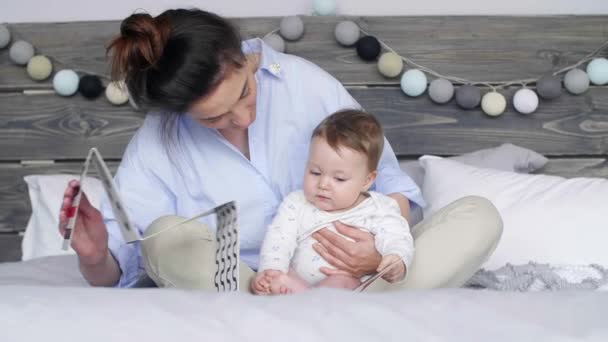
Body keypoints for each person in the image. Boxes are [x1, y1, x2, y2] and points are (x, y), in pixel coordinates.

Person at [58, 8, 502, 290]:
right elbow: (125, 268)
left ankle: (363, 299)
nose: (244, 118)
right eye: (214, 118)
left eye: (245, 91)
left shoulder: (304, 82)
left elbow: (386, 182)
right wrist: (95, 255)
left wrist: (381, 252)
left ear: (243, 59)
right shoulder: (160, 140)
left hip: (367, 277)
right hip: (248, 285)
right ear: (179, 114)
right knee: (168, 239)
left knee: (479, 215)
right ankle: (280, 309)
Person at [252, 110, 414, 295]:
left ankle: (306, 298)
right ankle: (292, 291)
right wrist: (271, 271)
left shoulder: (379, 208)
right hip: (296, 278)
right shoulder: (296, 203)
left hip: (344, 283)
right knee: (280, 275)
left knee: (344, 283)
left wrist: (397, 259)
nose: (323, 185)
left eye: (339, 178)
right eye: (315, 172)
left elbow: (397, 236)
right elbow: (279, 239)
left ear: (367, 180)